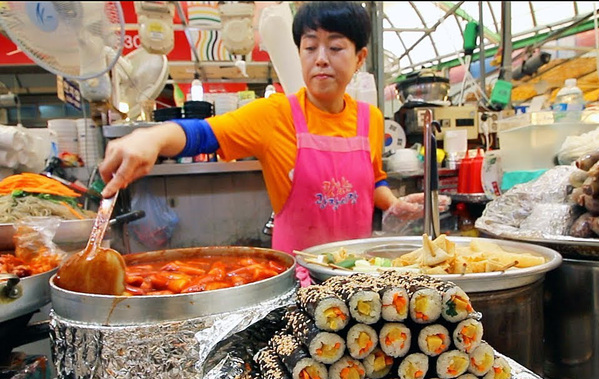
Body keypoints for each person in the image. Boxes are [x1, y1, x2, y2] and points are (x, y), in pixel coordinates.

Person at [99, 1, 442, 257]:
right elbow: (202, 133)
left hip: (358, 273)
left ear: (360, 56)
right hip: (299, 278)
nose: (321, 58)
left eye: (335, 47)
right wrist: (153, 137)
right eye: (310, 47)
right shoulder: (276, 114)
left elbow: (373, 178)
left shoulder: (371, 118)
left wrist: (391, 203)